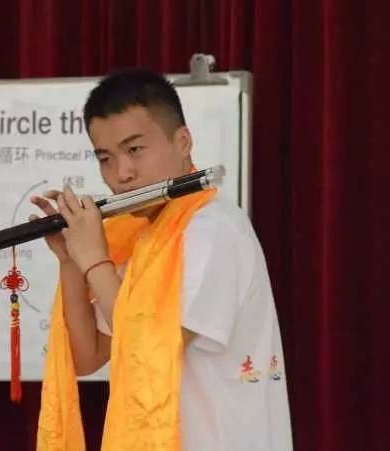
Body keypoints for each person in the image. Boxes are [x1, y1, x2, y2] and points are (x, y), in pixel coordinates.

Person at [32, 69, 293, 451]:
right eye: (105, 158)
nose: (122, 174)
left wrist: (95, 260)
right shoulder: (146, 235)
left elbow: (152, 345)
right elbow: (87, 356)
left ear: (183, 142)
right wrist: (72, 260)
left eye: (135, 150)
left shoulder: (211, 229)